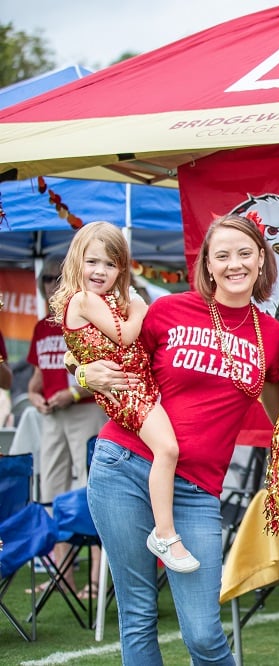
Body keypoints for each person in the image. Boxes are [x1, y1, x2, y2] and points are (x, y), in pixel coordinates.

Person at [79, 214, 279, 664]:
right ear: (207, 265)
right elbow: (108, 360)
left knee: (205, 634)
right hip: (125, 468)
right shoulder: (168, 310)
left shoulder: (270, 333)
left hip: (197, 492)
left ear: (261, 260)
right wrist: (82, 374)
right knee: (137, 615)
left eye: (245, 253)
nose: (235, 264)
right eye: (222, 255)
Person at [50, 222, 198, 573]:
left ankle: (162, 530)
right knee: (168, 449)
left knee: (167, 450)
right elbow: (126, 334)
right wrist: (140, 306)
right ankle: (164, 532)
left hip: (139, 388)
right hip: (130, 394)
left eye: (111, 264)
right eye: (93, 262)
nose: (101, 271)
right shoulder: (85, 299)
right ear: (76, 262)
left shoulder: (100, 301)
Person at [25, 256, 108, 598]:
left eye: (56, 277)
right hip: (52, 418)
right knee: (53, 494)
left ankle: (98, 580)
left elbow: (105, 374)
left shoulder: (84, 317)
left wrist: (72, 393)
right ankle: (63, 576)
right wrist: (34, 398)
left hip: (83, 411)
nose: (50, 283)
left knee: (93, 492)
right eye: (45, 277)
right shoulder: (42, 326)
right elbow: (34, 380)